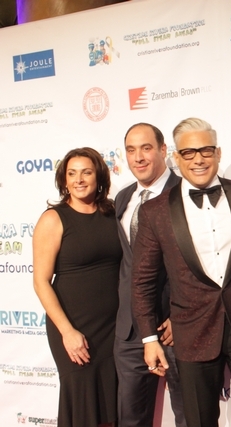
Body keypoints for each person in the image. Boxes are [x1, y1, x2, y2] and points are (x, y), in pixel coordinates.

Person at [130, 117, 231, 427]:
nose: (198, 159)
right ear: (176, 157)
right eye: (188, 152)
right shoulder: (155, 211)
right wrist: (149, 338)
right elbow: (142, 280)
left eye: (206, 150)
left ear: (218, 153)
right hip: (192, 333)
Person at [33, 147, 122, 427]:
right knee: (83, 406)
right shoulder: (53, 219)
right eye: (72, 173)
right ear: (64, 179)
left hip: (114, 328)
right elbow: (41, 281)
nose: (79, 180)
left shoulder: (113, 213)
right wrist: (68, 332)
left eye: (86, 172)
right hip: (74, 326)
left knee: (111, 406)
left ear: (99, 177)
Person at [114, 123, 185, 427]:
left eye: (146, 148)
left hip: (176, 328)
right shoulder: (123, 199)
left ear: (163, 150)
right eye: (131, 150)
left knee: (189, 416)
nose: (138, 157)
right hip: (130, 331)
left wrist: (182, 316)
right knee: (131, 419)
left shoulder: (185, 193)